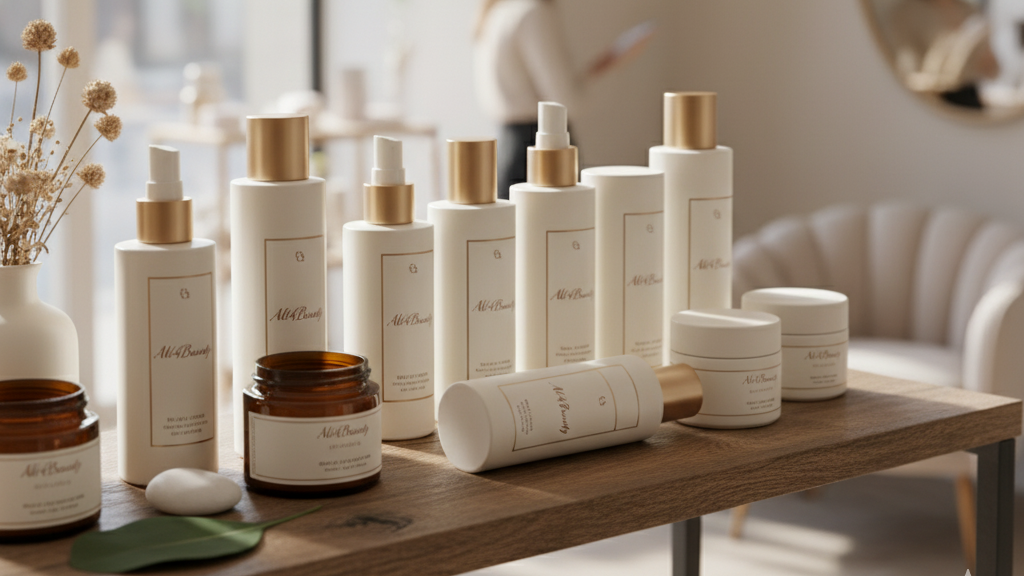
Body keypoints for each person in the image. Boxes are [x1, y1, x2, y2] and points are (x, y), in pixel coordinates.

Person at [473, 0, 650, 198]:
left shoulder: (497, 12)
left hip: (508, 149)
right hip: (543, 149)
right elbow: (565, 101)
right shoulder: (531, 13)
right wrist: (610, 63)